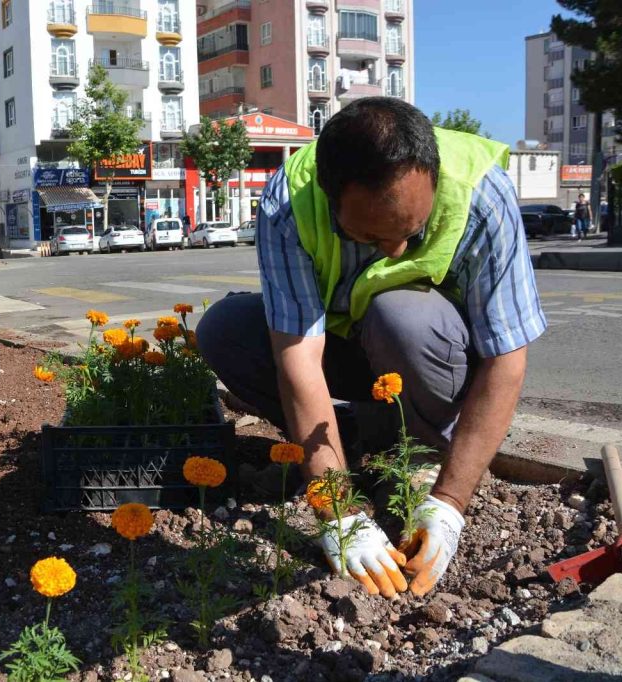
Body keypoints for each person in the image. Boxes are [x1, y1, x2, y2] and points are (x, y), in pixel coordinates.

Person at [197, 98, 546, 598]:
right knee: (224, 329)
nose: (397, 250)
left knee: (398, 313)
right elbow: (298, 356)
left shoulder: (482, 193)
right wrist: (337, 512)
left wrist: (450, 503)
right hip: (345, 351)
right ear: (329, 194)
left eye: (411, 231)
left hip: (431, 354)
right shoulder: (288, 202)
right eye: (368, 235)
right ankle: (353, 442)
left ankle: (424, 452)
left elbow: (506, 356)